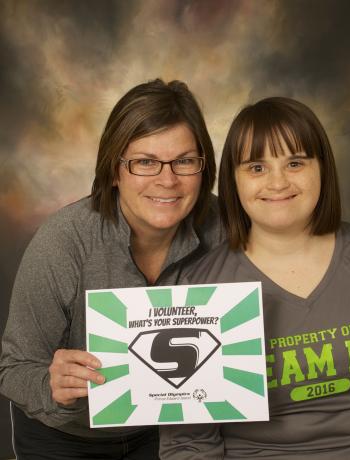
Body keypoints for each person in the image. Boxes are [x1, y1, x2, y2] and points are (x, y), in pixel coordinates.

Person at [159, 97, 350, 459]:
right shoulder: (200, 289)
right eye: (256, 167)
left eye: (295, 162)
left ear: (322, 169)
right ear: (233, 181)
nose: (277, 182)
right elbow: (190, 441)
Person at [0, 78, 224, 459]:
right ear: (115, 170)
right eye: (145, 162)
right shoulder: (64, 241)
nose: (167, 180)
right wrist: (50, 385)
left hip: (165, 429)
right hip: (65, 436)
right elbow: (14, 367)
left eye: (184, 161)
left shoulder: (225, 225)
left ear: (203, 168)